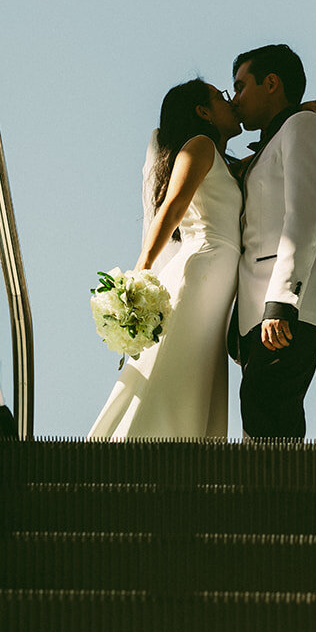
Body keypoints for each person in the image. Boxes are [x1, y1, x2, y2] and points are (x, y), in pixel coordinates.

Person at [89, 79, 243, 440]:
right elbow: (171, 210)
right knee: (176, 366)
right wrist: (139, 274)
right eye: (221, 97)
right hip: (200, 269)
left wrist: (299, 113)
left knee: (192, 369)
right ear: (203, 112)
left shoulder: (218, 158)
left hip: (215, 276)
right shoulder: (200, 145)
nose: (230, 102)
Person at [230, 44, 316, 440]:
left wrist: (281, 301)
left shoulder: (304, 128)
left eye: (240, 87)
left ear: (271, 82)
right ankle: (282, 498)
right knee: (267, 418)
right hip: (260, 314)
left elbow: (304, 218)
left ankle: (277, 501)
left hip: (287, 307)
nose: (236, 100)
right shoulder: (282, 135)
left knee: (266, 416)